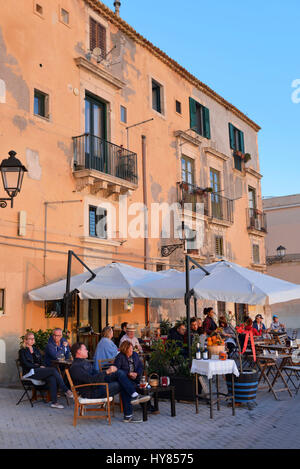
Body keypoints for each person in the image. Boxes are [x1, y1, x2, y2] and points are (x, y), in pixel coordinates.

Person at [70, 342, 150, 423]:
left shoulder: (85, 362)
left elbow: (96, 374)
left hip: (98, 385)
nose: (87, 351)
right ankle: (131, 406)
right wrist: (107, 372)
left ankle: (133, 396)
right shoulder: (75, 367)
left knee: (119, 373)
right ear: (78, 351)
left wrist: (109, 371)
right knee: (122, 384)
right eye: (85, 349)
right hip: (93, 391)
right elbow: (91, 380)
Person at [19, 331, 73, 409]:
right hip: (29, 372)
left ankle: (54, 402)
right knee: (53, 370)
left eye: (33, 339)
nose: (32, 340)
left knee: (52, 377)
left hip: (37, 371)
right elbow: (25, 364)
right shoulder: (22, 351)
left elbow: (42, 360)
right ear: (26, 340)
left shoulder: (36, 350)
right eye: (30, 339)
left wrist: (42, 366)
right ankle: (66, 390)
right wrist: (37, 367)